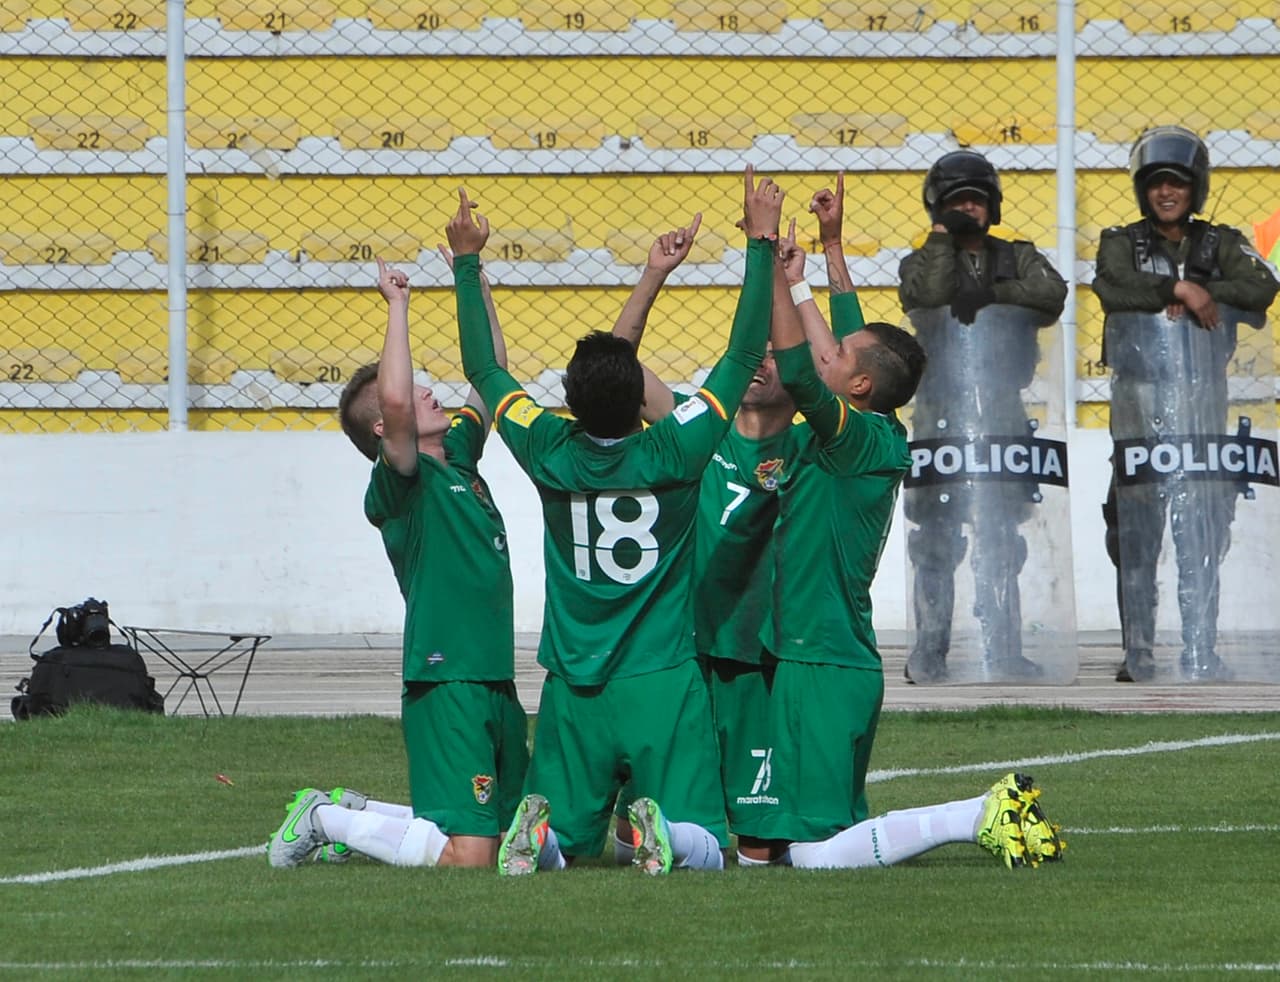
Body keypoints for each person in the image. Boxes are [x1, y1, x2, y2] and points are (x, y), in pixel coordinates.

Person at [445, 170, 783, 875]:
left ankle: (539, 838)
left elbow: (482, 366)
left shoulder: (546, 447)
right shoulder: (678, 447)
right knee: (707, 844)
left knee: (564, 842)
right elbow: (744, 355)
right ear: (643, 397)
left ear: (568, 401)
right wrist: (759, 243)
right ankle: (664, 831)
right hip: (661, 673)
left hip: (575, 680)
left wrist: (469, 260)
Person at [758, 221, 1064, 869]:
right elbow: (849, 353)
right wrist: (819, 264)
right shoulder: (875, 426)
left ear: (859, 386)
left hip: (819, 660)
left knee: (810, 854)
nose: (826, 355)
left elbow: (800, 369)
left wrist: (769, 263)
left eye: (838, 358)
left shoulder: (851, 438)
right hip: (833, 659)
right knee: (816, 840)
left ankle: (976, 813)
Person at [267, 251, 529, 869]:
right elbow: (396, 400)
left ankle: (356, 813)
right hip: (446, 677)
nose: (429, 391)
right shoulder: (402, 481)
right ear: (388, 428)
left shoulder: (457, 454)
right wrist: (398, 305)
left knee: (509, 834)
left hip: (492, 674)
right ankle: (323, 818)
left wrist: (473, 272)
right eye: (414, 394)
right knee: (470, 857)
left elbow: (491, 371)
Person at [608, 215, 800, 867]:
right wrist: (652, 276)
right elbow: (615, 374)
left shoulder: (816, 442)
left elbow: (852, 374)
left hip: (764, 658)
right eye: (757, 348)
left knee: (763, 843)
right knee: (655, 821)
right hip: (685, 654)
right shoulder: (698, 423)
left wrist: (789, 282)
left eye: (778, 352)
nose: (762, 360)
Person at [1094, 125, 1279, 683]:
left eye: (1176, 184)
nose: (1166, 193)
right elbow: (1111, 287)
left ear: (1194, 188)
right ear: (1142, 190)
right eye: (1156, 184)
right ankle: (1140, 652)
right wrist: (1177, 291)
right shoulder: (1120, 240)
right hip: (1138, 400)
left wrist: (1206, 290)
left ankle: (1202, 648)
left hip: (1203, 398)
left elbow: (1263, 288)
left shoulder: (1219, 241)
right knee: (1134, 532)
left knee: (1202, 528)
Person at [897, 150, 1068, 684]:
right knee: (935, 539)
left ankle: (1006, 648)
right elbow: (924, 292)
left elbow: (1051, 294)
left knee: (1001, 539)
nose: (968, 208)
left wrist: (989, 293)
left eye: (975, 199)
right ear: (937, 208)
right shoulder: (922, 257)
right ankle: (931, 650)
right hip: (939, 412)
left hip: (1002, 409)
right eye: (956, 201)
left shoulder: (1019, 255)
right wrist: (944, 239)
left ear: (992, 205)